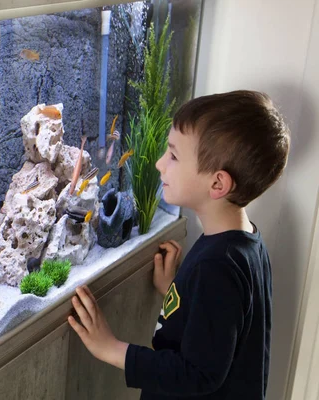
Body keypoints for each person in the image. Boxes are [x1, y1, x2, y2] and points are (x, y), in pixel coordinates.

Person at [68, 90, 290, 399]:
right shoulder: (244, 242)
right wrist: (177, 290)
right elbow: (223, 323)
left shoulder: (218, 266)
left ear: (218, 184)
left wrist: (112, 348)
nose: (160, 164)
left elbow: (197, 374)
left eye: (173, 155)